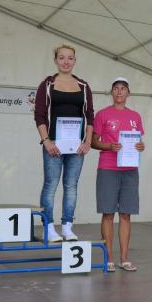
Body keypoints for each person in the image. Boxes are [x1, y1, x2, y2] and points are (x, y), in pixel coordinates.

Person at [34, 44, 94, 242]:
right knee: (51, 184)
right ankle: (49, 228)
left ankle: (67, 227)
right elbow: (39, 115)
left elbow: (90, 116)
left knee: (71, 186)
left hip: (76, 146)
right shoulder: (47, 84)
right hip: (53, 145)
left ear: (75, 61)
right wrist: (46, 141)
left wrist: (88, 141)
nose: (66, 62)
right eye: (61, 58)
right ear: (55, 60)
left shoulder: (84, 86)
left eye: (70, 58)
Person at [92, 77, 145, 272]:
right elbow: (93, 141)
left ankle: (124, 258)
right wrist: (109, 146)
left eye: (123, 88)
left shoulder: (135, 116)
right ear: (111, 92)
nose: (119, 91)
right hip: (108, 168)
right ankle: (109, 259)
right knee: (108, 213)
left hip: (130, 170)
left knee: (125, 214)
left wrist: (141, 146)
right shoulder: (102, 114)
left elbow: (138, 141)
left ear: (128, 93)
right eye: (116, 88)